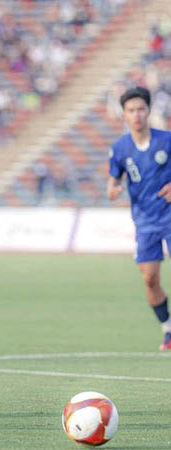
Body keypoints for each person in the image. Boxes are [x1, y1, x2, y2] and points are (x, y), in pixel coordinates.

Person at [108, 86, 171, 350]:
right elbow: (113, 180)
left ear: (148, 111)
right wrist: (112, 189)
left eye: (141, 109)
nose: (136, 115)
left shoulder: (166, 140)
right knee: (150, 279)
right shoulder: (120, 148)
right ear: (124, 114)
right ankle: (168, 328)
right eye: (131, 110)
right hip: (144, 221)